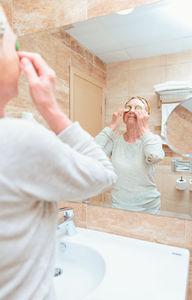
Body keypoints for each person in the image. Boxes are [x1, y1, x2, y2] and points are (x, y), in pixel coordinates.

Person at [0, 7, 117, 300]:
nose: (18, 55)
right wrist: (51, 109)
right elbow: (104, 173)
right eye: (13, 46)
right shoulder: (19, 139)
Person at [95, 96, 164, 214]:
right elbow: (91, 153)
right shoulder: (115, 141)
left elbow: (155, 156)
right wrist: (112, 125)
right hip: (119, 205)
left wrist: (144, 127)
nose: (131, 110)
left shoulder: (153, 140)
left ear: (146, 115)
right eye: (128, 107)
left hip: (148, 208)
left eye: (137, 108)